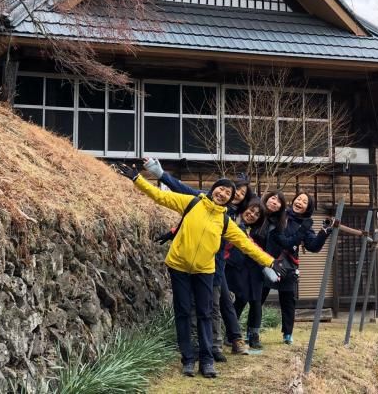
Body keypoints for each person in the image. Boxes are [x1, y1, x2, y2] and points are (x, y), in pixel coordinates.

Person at [113, 160, 284, 379]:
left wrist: (270, 262)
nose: (222, 193)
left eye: (227, 192)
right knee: (183, 312)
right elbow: (160, 197)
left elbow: (246, 244)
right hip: (179, 266)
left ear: (230, 200)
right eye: (220, 188)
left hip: (205, 270)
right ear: (213, 190)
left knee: (205, 313)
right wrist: (138, 179)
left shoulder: (225, 221)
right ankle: (188, 359)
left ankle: (207, 360)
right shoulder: (191, 202)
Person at [142, 160, 250, 362]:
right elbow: (180, 191)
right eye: (229, 190)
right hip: (195, 262)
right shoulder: (202, 199)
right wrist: (161, 174)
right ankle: (196, 348)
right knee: (194, 306)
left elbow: (244, 241)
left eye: (239, 194)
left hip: (216, 264)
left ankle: (216, 346)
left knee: (216, 305)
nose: (234, 195)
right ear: (217, 187)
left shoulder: (234, 216)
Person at [261, 191, 334, 344]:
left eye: (304, 201)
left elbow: (313, 246)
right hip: (268, 260)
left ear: (308, 208)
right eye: (298, 198)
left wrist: (324, 232)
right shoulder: (281, 215)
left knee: (288, 300)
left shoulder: (305, 224)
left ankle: (287, 334)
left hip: (288, 265)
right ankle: (251, 330)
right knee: (258, 297)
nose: (299, 201)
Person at [224, 199, 267, 349]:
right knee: (236, 298)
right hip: (228, 265)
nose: (252, 214)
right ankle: (230, 334)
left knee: (244, 298)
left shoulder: (250, 229)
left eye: (257, 214)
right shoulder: (231, 219)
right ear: (245, 207)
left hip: (244, 267)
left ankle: (234, 335)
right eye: (251, 210)